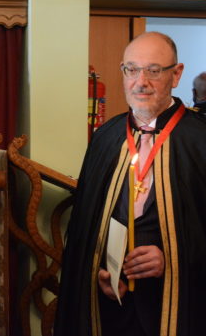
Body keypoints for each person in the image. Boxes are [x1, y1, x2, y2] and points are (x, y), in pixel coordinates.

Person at [54, 32, 206, 336]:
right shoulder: (106, 138)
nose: (141, 82)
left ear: (176, 74)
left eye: (154, 70)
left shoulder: (200, 141)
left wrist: (172, 259)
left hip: (178, 307)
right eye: (132, 70)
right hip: (113, 306)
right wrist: (99, 269)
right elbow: (84, 228)